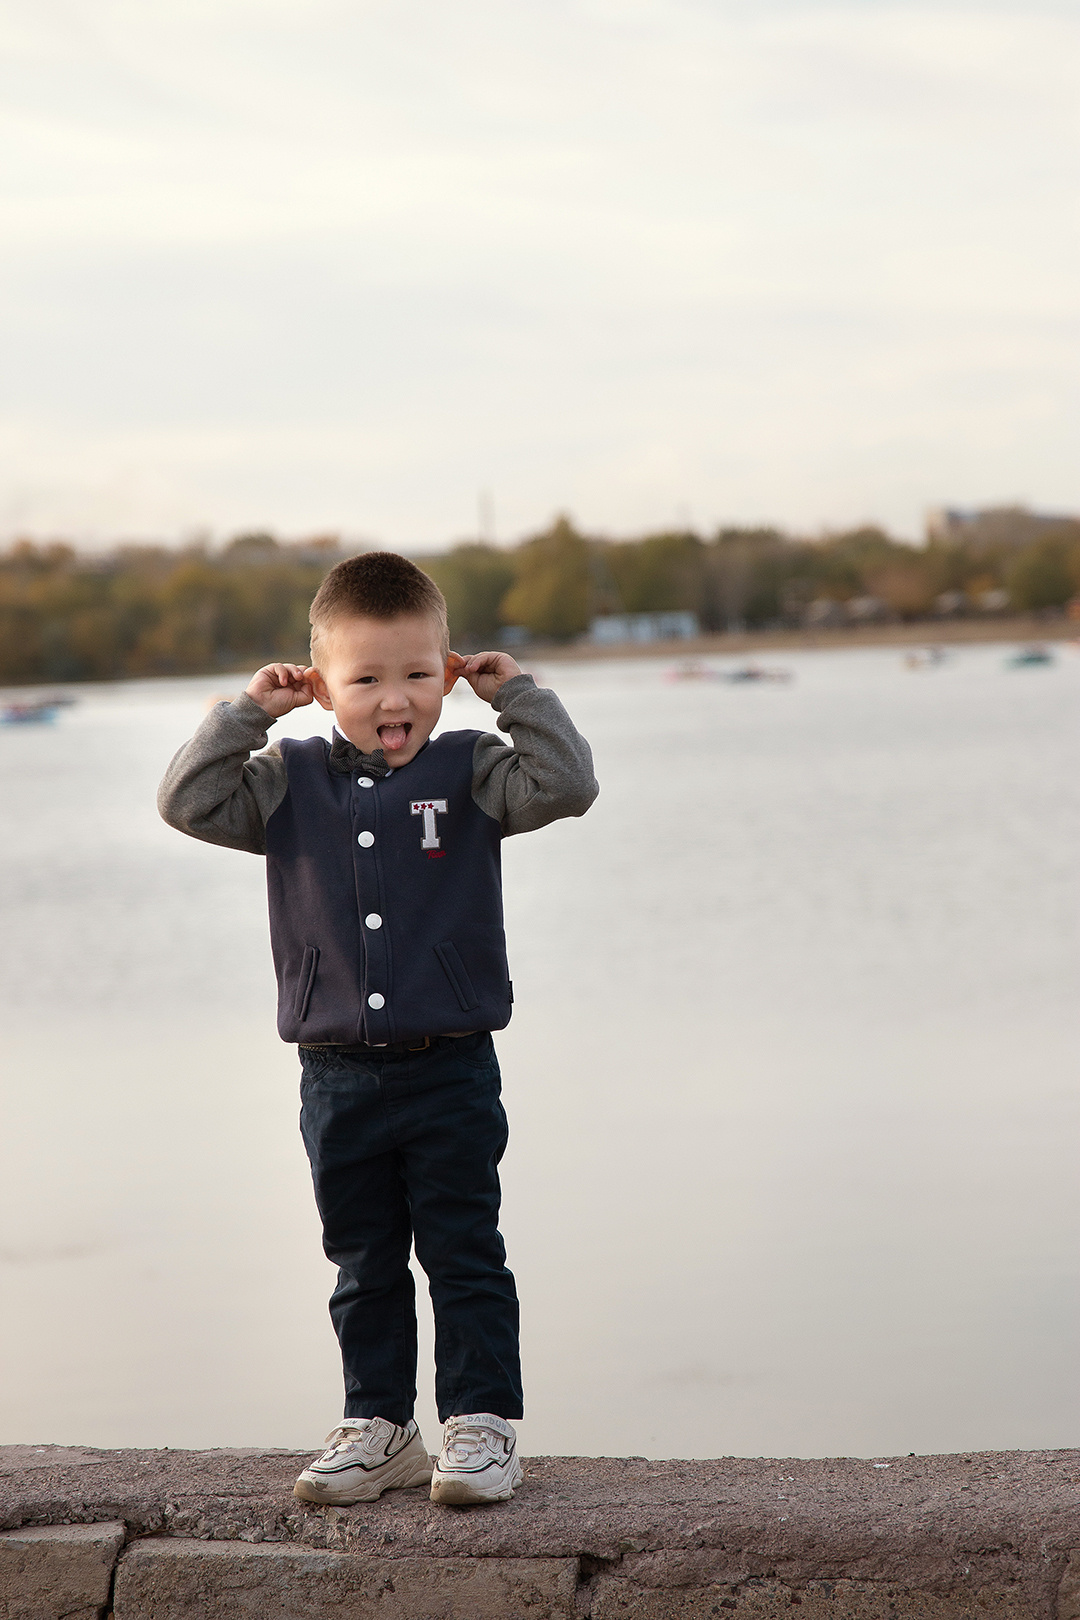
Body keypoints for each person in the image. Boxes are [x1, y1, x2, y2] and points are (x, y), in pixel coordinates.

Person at [157, 551, 598, 1507]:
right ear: (321, 686)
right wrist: (247, 715)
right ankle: (381, 1425)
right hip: (336, 1075)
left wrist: (517, 696)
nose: (393, 699)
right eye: (364, 680)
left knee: (464, 1250)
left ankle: (481, 1423)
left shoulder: (472, 769)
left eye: (416, 674)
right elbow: (187, 801)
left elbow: (567, 784)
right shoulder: (285, 781)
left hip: (452, 1067)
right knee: (361, 1260)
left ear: (447, 673)